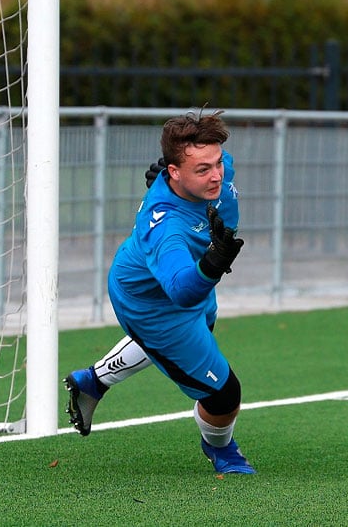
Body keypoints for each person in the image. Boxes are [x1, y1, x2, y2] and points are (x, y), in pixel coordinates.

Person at [64, 109, 255, 474]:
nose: (217, 175)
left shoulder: (206, 164)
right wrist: (213, 264)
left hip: (183, 274)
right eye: (202, 170)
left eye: (217, 164)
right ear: (174, 173)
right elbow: (183, 292)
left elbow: (206, 159)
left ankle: (93, 380)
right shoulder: (165, 225)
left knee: (195, 333)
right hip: (152, 300)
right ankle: (223, 450)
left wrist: (185, 168)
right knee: (223, 393)